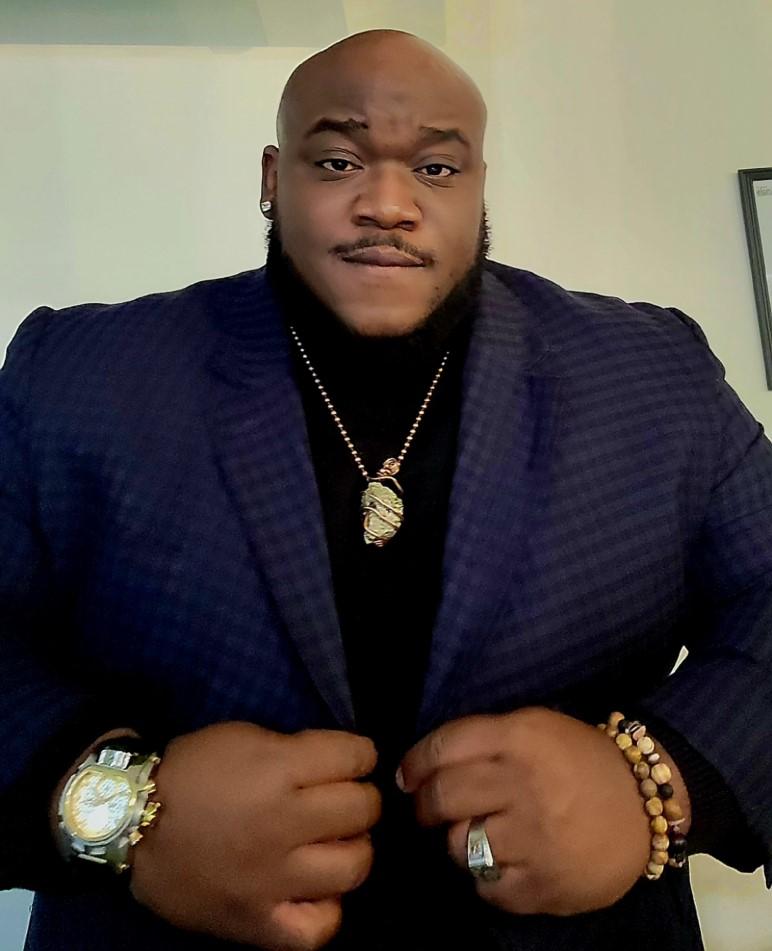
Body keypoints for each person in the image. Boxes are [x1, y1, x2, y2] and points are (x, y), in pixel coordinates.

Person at [0, 28, 769, 951]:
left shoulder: (653, 374)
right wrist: (115, 804)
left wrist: (662, 782)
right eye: (338, 160)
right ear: (272, 178)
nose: (390, 205)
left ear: (480, 185)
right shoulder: (79, 376)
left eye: (437, 168)